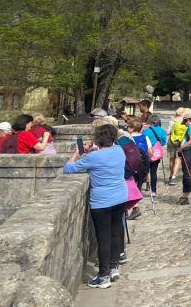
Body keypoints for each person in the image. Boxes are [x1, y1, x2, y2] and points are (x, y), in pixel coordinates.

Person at [63, 122, 128, 288]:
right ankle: (114, 267)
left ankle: (103, 276)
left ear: (98, 139)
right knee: (115, 233)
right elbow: (106, 156)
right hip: (120, 197)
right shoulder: (119, 151)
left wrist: (78, 152)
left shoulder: (94, 157)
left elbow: (68, 168)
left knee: (103, 238)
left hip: (102, 202)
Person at [142, 114, 167, 198]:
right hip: (156, 154)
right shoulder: (162, 130)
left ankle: (145, 185)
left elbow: (143, 141)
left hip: (147, 153)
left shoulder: (146, 131)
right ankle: (154, 191)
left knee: (145, 170)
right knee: (154, 172)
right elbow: (163, 142)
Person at [166, 106, 189, 186]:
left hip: (171, 142)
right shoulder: (185, 122)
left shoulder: (172, 121)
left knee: (171, 160)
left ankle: (170, 175)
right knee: (178, 160)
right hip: (181, 143)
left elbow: (168, 132)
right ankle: (173, 177)